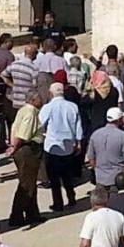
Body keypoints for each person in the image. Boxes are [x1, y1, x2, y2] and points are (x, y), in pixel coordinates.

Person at [39, 82, 83, 211]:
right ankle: (71, 198)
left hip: (52, 146)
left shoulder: (48, 107)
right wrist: (79, 142)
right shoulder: (73, 106)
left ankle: (58, 203)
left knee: (54, 178)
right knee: (67, 175)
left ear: (51, 93)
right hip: (68, 146)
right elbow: (78, 126)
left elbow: (40, 123)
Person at [7, 91, 45, 226]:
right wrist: (14, 147)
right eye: (39, 98)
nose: (41, 100)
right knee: (26, 184)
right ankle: (16, 216)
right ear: (33, 100)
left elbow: (13, 128)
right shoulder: (30, 113)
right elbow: (23, 134)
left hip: (24, 149)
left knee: (30, 183)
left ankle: (32, 213)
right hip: (28, 150)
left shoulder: (22, 110)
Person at [87, 107, 124, 189]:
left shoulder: (95, 134)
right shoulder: (123, 136)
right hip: (118, 180)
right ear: (119, 120)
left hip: (100, 179)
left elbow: (91, 158)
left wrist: (98, 171)